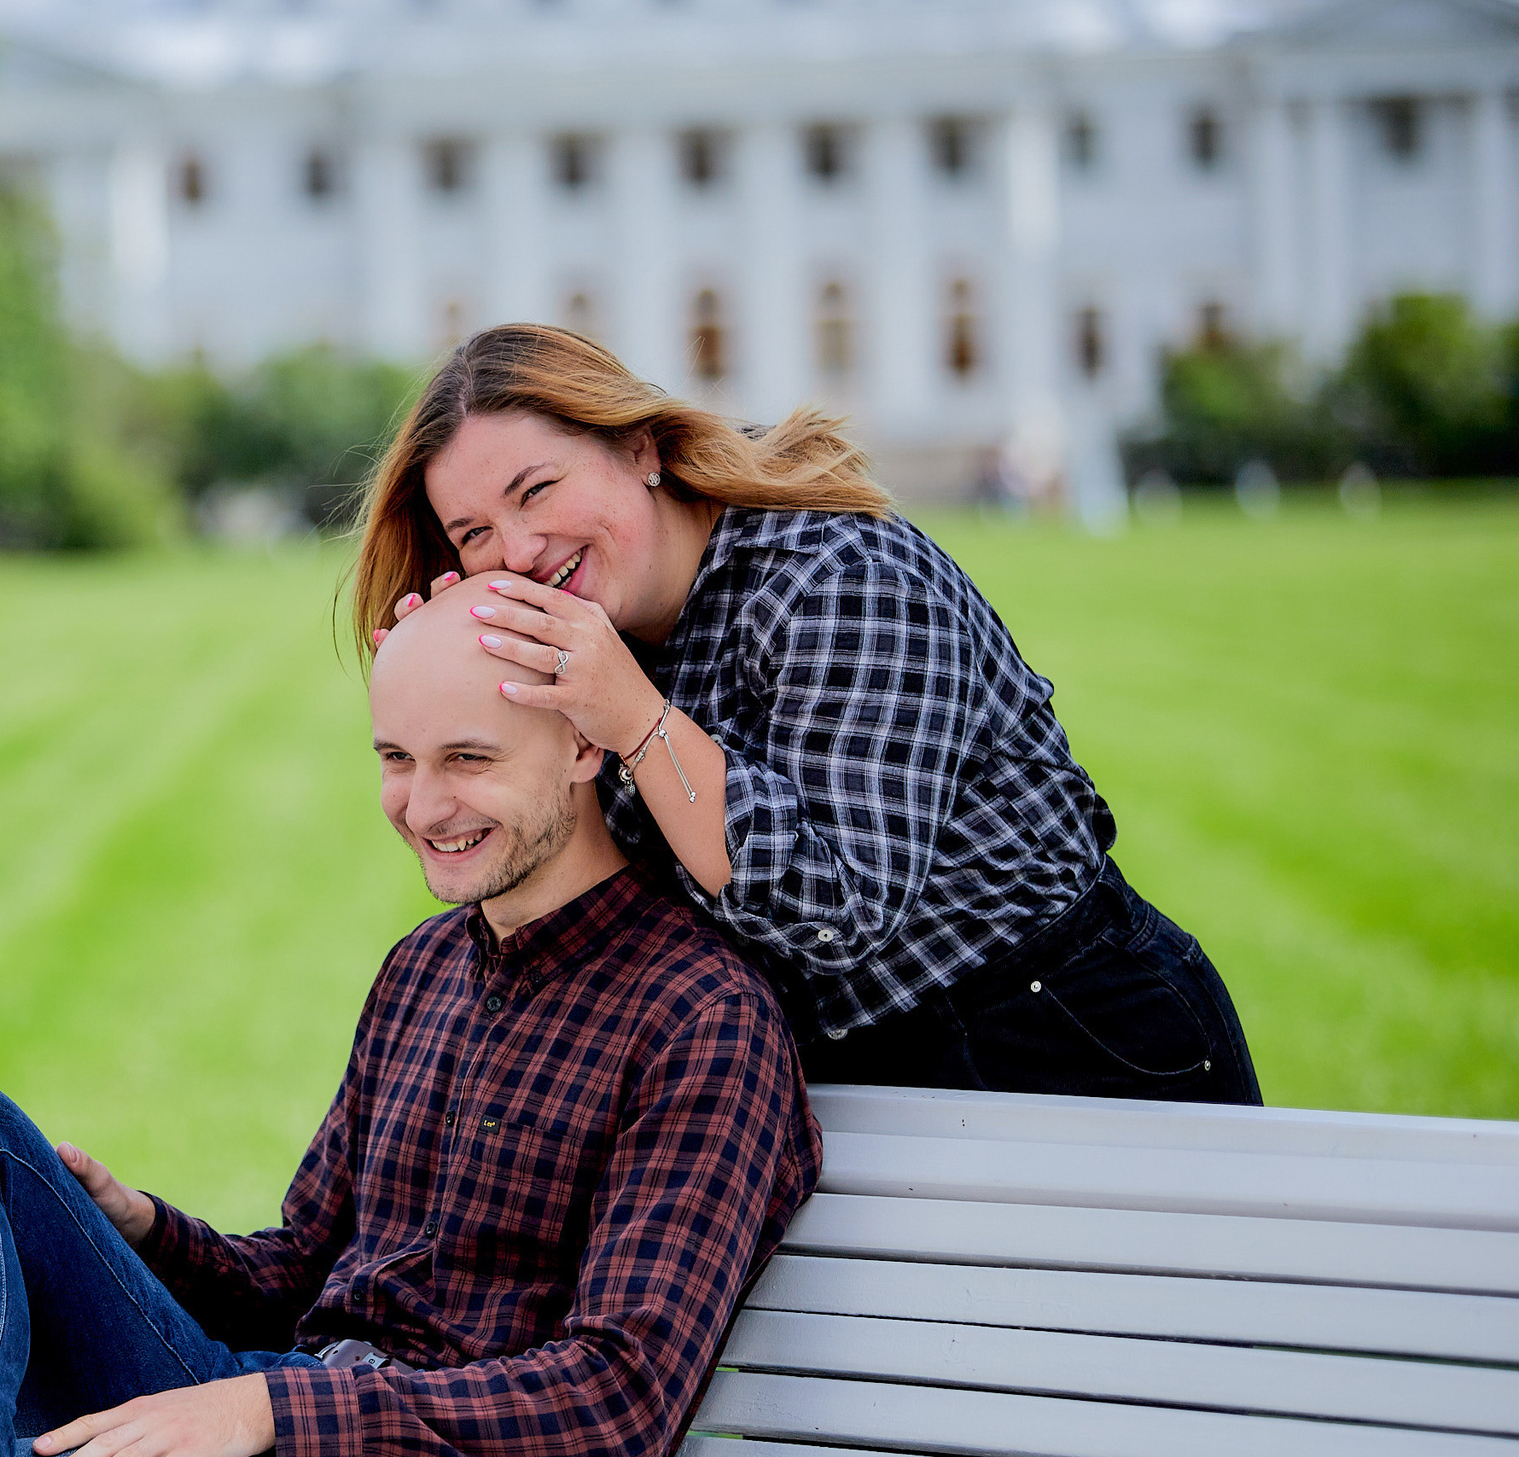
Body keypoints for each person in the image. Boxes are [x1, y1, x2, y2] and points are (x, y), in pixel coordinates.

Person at [0, 574, 817, 1457]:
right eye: (396, 759)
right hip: (288, 1415)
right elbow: (298, 1272)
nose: (423, 805)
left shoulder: (700, 1016)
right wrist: (143, 1231)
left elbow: (613, 1401)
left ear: (582, 744)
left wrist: (268, 1409)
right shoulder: (424, 968)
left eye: (468, 759)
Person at [354, 323, 1258, 1103]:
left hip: (1068, 1034)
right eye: (474, 533)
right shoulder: (595, 637)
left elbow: (835, 910)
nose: (517, 550)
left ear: (640, 449)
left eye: (536, 490)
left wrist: (634, 717)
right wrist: (456, 685)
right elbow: (581, 883)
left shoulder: (835, 577)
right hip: (840, 1066)